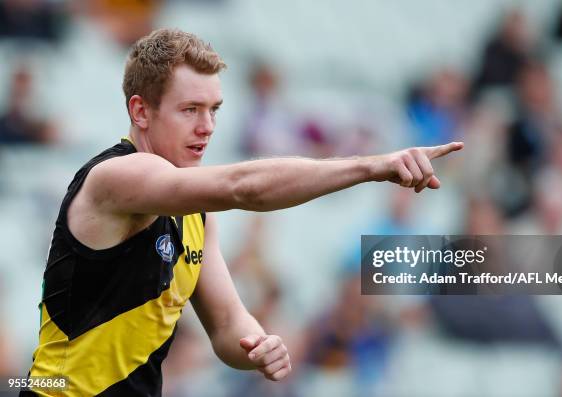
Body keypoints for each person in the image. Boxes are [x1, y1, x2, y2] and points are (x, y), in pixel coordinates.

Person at [21, 28, 463, 396]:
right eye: (190, 110)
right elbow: (244, 188)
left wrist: (256, 344)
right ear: (140, 111)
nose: (207, 126)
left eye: (213, 110)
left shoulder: (195, 214)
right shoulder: (116, 178)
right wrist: (371, 165)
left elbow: (228, 325)